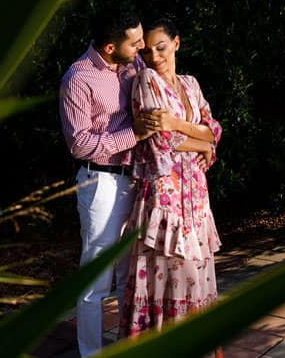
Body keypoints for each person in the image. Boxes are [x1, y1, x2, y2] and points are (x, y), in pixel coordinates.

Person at [118, 17, 223, 340]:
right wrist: (201, 139)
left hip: (196, 194)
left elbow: (214, 129)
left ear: (177, 43)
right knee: (173, 275)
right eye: (147, 51)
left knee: (198, 275)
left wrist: (182, 127)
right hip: (164, 195)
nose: (154, 57)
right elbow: (161, 141)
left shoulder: (190, 83)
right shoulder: (146, 79)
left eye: (161, 48)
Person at [59, 10, 153, 357]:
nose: (142, 46)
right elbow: (79, 143)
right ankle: (92, 353)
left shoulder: (134, 66)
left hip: (138, 179)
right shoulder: (78, 78)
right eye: (136, 42)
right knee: (96, 281)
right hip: (101, 183)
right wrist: (133, 134)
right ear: (111, 47)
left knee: (132, 276)